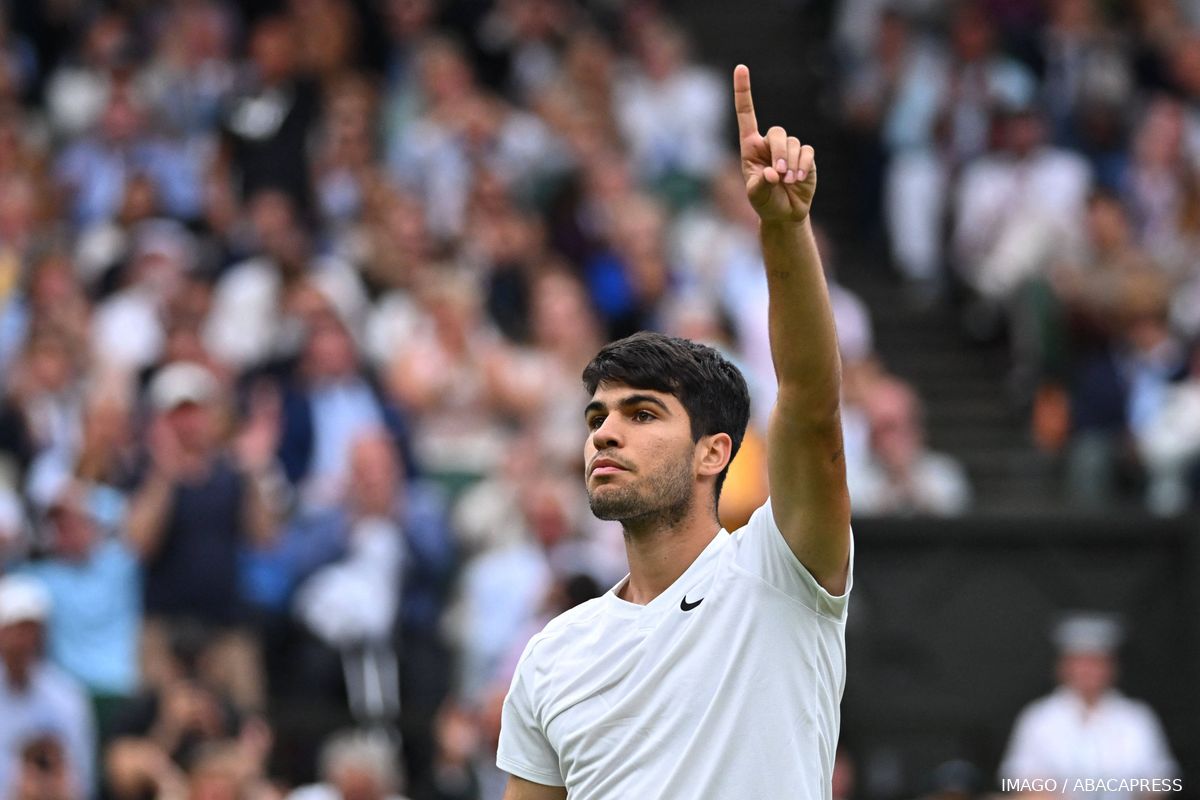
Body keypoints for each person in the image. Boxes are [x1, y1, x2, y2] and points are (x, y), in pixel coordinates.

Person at [495, 65, 852, 799]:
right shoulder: (552, 656)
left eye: (642, 414)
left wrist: (784, 230)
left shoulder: (780, 575)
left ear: (713, 453)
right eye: (597, 417)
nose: (605, 434)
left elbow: (812, 408)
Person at [998, 613, 1178, 799]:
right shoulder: (1039, 717)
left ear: (1112, 667)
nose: (1089, 671)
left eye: (1097, 662)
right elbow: (1019, 778)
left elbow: (1161, 779)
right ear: (1063, 667)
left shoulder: (1136, 717)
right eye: (1080, 663)